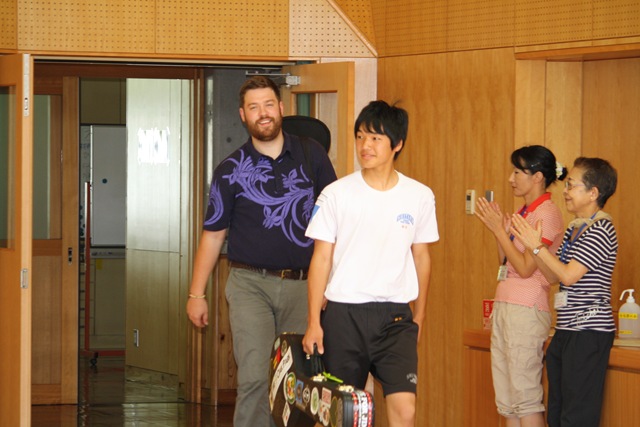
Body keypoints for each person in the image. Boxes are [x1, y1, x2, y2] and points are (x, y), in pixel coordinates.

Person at [186, 75, 337, 427]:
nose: (263, 113)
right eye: (254, 107)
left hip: (305, 286)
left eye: (269, 104)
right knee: (255, 377)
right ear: (243, 115)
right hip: (249, 284)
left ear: (281, 108)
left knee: (299, 381)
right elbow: (213, 234)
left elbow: (335, 222)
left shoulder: (311, 155)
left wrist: (330, 284)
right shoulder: (229, 170)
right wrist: (196, 293)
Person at [302, 100, 439, 427]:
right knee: (342, 414)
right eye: (361, 136)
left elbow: (422, 256)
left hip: (395, 317)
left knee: (405, 409)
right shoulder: (336, 194)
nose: (365, 145)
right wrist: (313, 321)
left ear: (397, 144)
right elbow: (321, 258)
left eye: (376, 138)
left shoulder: (419, 195)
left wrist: (419, 315)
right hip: (344, 315)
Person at [510, 157, 618, 427]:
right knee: (557, 413)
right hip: (566, 329)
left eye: (571, 185)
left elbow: (569, 275)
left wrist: (537, 247)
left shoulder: (601, 229)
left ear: (593, 193)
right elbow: (553, 276)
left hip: (588, 332)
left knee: (576, 415)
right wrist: (533, 247)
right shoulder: (575, 228)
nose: (566, 192)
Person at [475, 146, 567, 427]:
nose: (511, 179)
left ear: (537, 177)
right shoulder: (524, 211)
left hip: (526, 308)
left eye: (517, 172)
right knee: (508, 401)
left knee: (525, 398)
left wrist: (498, 231)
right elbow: (506, 262)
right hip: (507, 305)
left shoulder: (547, 213)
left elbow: (527, 269)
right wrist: (500, 233)